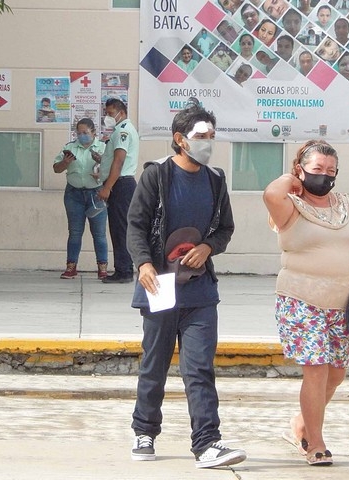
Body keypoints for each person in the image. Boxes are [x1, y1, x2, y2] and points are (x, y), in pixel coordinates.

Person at [127, 103, 246, 469]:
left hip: (199, 292)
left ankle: (207, 443)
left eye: (211, 136)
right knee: (155, 363)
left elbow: (225, 228)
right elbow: (135, 226)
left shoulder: (215, 180)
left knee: (199, 368)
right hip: (160, 285)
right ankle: (144, 430)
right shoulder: (156, 177)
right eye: (200, 136)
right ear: (180, 140)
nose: (208, 142)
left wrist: (208, 247)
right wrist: (144, 263)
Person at [263, 140, 349, 466]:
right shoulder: (289, 205)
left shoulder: (344, 204)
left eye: (331, 171)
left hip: (341, 302)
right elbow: (271, 193)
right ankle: (316, 442)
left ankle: (300, 424)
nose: (325, 176)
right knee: (316, 370)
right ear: (300, 169)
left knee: (337, 373)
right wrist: (293, 181)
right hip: (301, 299)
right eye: (317, 169)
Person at [53, 118, 108, 280]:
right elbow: (56, 169)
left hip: (96, 194)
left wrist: (101, 165)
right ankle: (71, 267)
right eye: (79, 133)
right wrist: (65, 162)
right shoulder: (70, 148)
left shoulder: (103, 148)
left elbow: (113, 169)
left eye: (85, 133)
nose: (82, 136)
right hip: (74, 194)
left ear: (93, 132)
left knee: (99, 233)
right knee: (75, 232)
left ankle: (102, 268)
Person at [97, 98, 139, 283]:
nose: (108, 116)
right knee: (118, 228)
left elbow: (119, 161)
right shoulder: (121, 130)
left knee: (120, 229)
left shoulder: (122, 131)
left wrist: (107, 187)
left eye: (110, 112)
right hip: (120, 183)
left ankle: (124, 271)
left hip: (121, 185)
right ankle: (123, 268)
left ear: (120, 112)